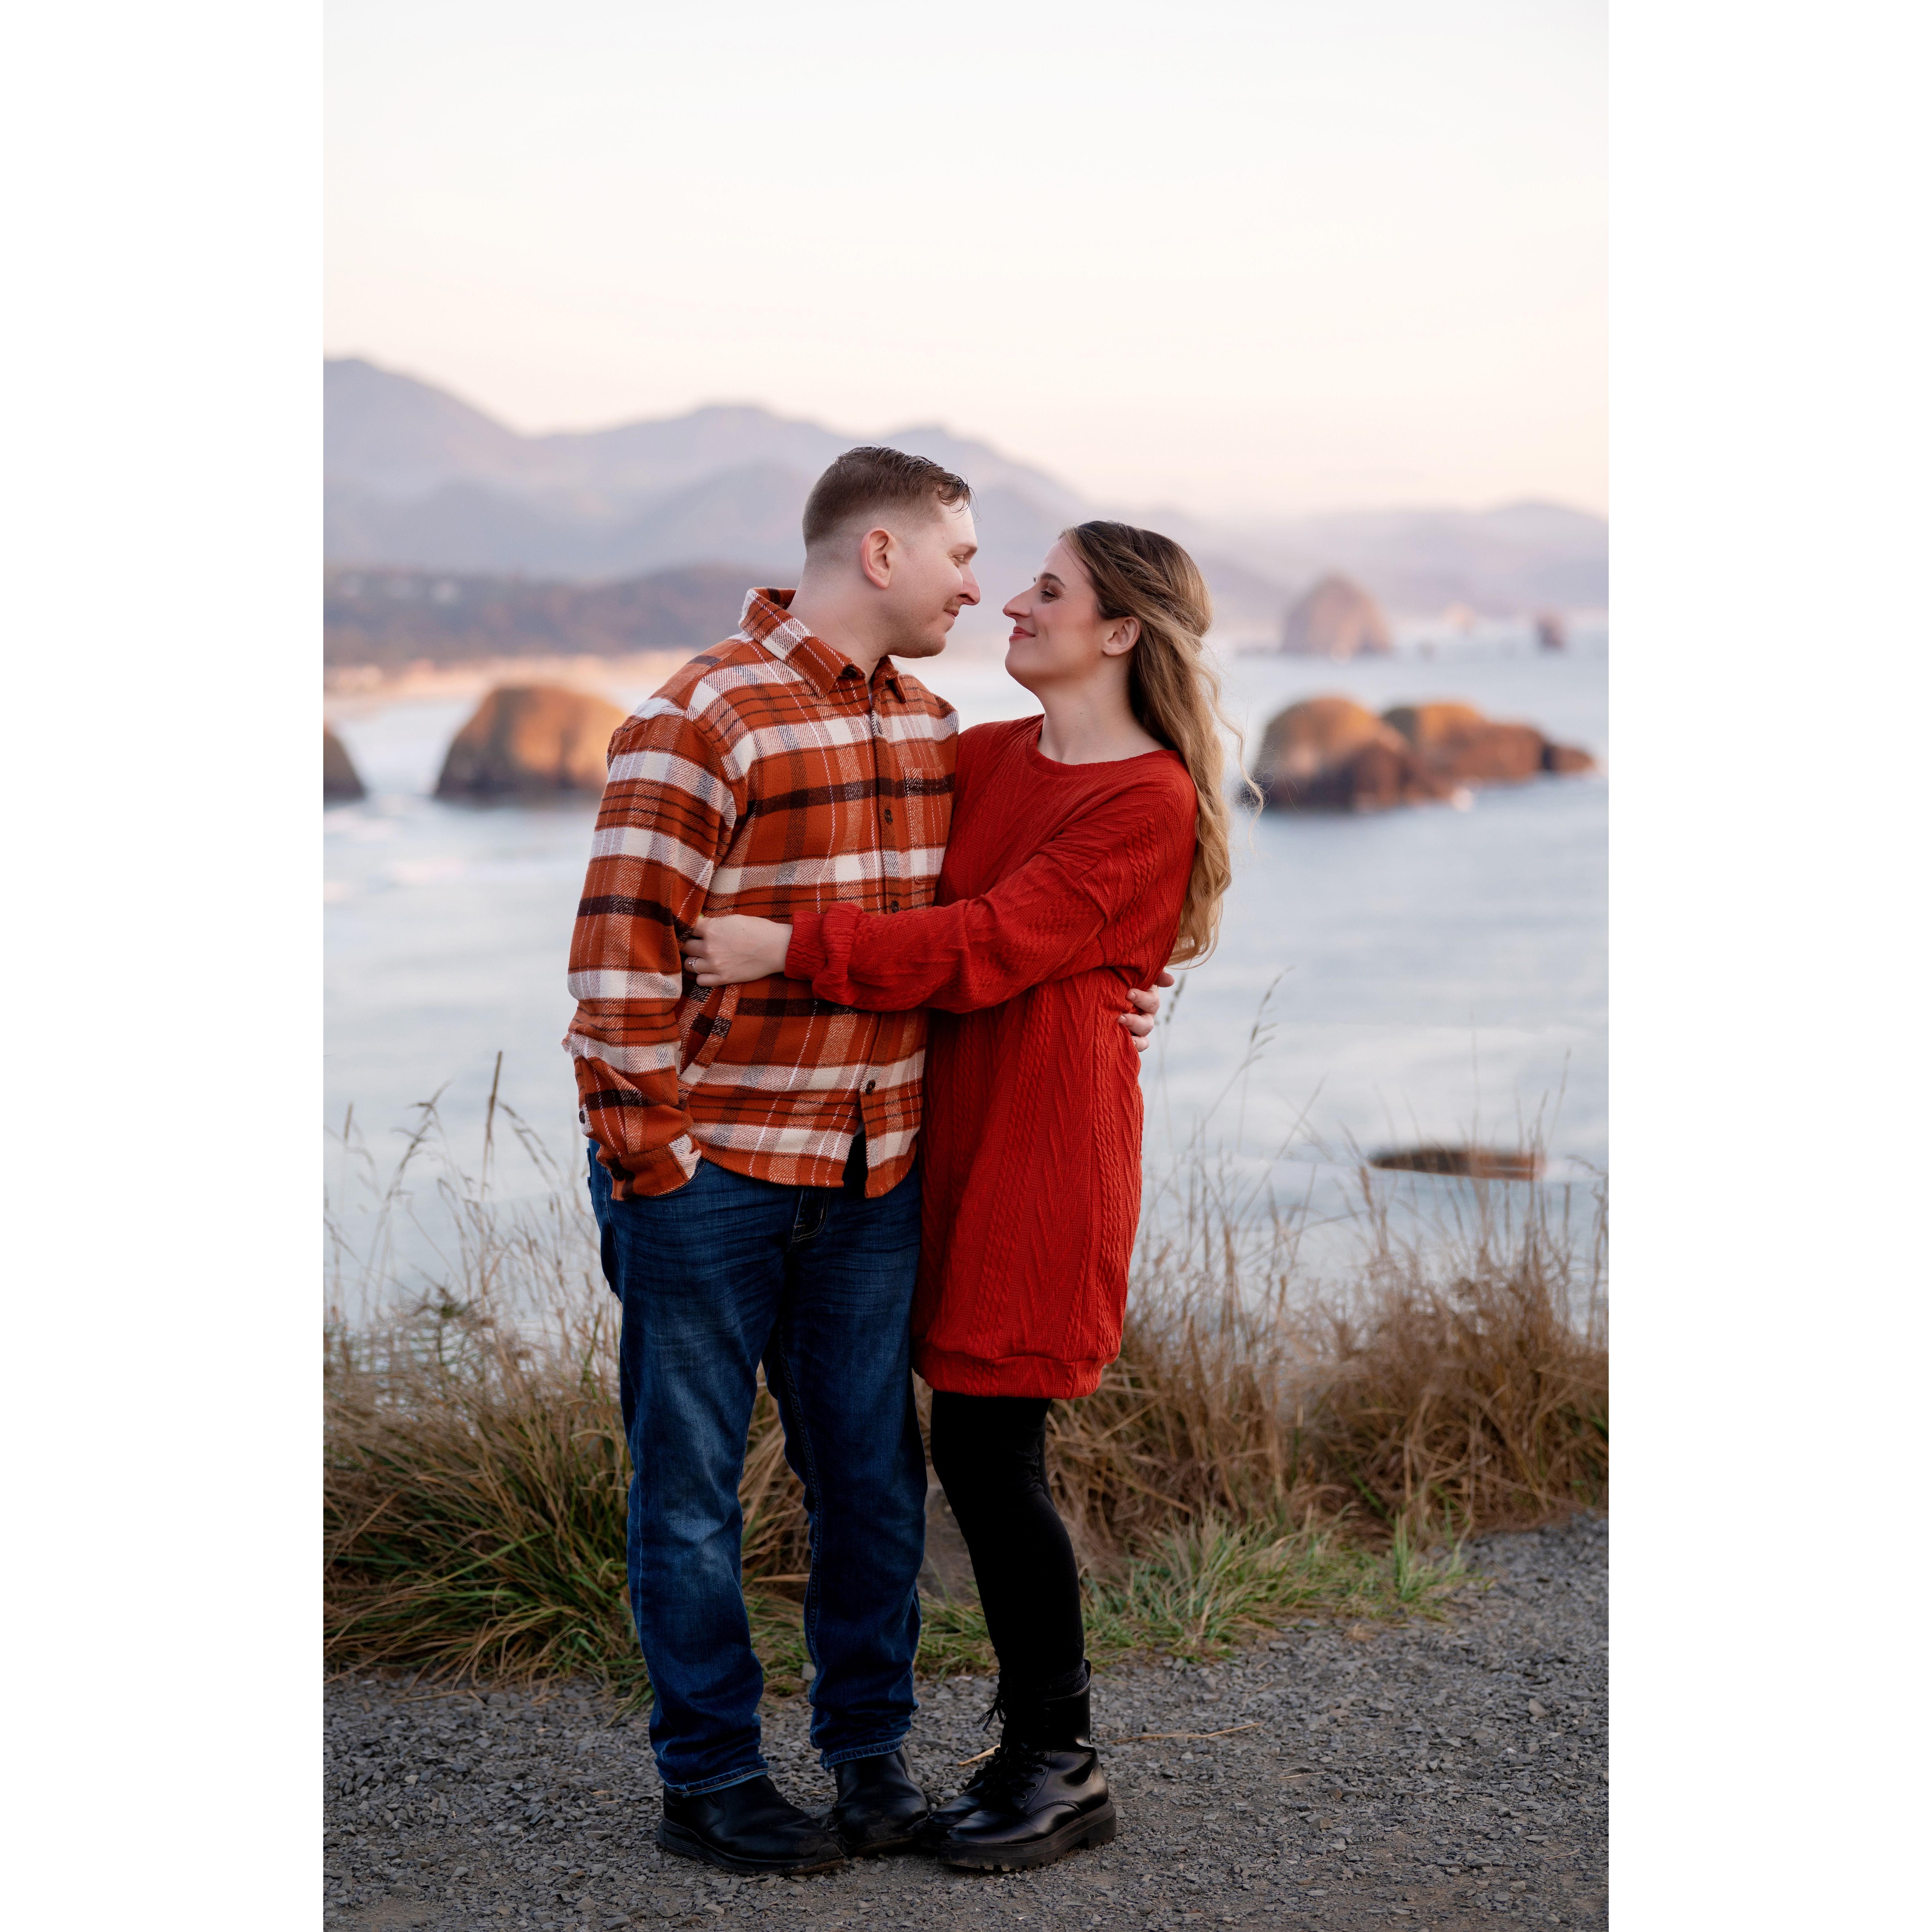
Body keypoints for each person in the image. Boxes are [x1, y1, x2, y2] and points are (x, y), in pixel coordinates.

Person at [564, 450, 1162, 1878]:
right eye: (964, 555)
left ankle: (869, 1760)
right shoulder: (703, 714)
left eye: (1011, 572)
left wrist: (1134, 983)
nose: (982, 587)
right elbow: (616, 962)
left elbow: (1015, 917)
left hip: (875, 1174)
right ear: (881, 554)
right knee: (692, 1495)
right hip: (714, 1176)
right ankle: (712, 1778)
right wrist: (656, 1160)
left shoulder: (938, 732)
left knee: (875, 1488)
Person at [683, 520, 1243, 1872]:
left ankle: (1062, 1758)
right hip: (932, 1147)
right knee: (942, 1455)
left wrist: (782, 949)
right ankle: (1013, 1746)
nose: (1013, 604)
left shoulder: (1150, 798)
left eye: (1049, 590)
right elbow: (897, 875)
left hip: (1043, 1161)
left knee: (994, 1457)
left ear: (1121, 632)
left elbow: (987, 944)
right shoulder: (982, 757)